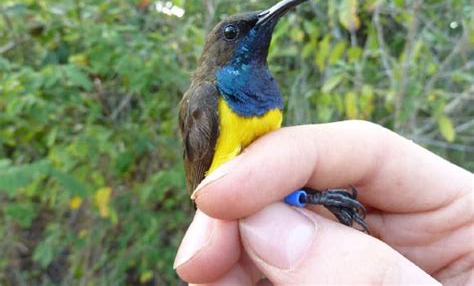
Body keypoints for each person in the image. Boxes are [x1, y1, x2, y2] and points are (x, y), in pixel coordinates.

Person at [173, 121, 474, 285]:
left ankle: (309, 198)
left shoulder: (264, 90)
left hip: (252, 190)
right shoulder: (208, 95)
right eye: (231, 32)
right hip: (230, 197)